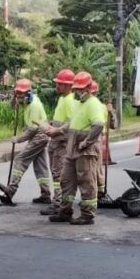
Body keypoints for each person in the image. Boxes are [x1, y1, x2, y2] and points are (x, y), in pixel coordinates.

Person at [47, 71, 105, 225]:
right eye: (76, 89)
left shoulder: (93, 104)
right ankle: (65, 211)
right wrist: (58, 131)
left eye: (80, 89)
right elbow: (71, 122)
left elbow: (98, 125)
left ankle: (87, 215)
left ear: (88, 88)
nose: (77, 92)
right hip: (72, 149)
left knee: (86, 182)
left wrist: (86, 142)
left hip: (85, 151)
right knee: (66, 180)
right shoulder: (80, 104)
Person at [0, 79, 51, 205]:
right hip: (39, 136)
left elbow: (32, 130)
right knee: (40, 166)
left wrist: (19, 139)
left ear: (28, 92)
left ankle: (11, 190)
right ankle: (45, 194)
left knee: (20, 160)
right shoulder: (27, 101)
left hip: (38, 135)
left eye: (21, 93)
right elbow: (12, 106)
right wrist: (14, 97)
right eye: (17, 93)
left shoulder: (33, 105)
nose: (19, 96)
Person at [41, 68, 79, 216]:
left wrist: (57, 131)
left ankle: (58, 203)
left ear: (69, 86)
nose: (57, 86)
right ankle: (57, 202)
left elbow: (71, 123)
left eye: (61, 84)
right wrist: (52, 125)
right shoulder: (63, 98)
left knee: (59, 175)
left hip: (62, 143)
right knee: (55, 173)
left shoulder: (70, 101)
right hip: (55, 142)